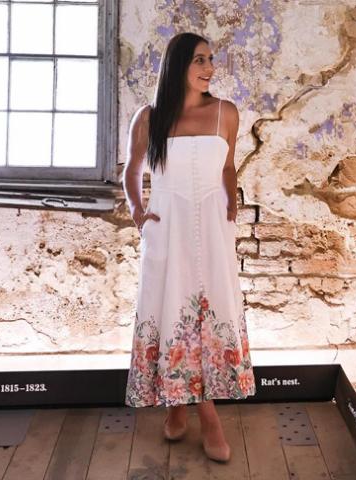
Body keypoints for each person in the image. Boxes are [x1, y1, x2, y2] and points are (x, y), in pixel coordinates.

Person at [122, 32, 257, 463]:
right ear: (177, 64)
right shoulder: (149, 117)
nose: (209, 68)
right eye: (199, 60)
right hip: (167, 231)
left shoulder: (226, 113)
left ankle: (180, 405)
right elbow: (131, 171)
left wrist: (231, 211)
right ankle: (208, 417)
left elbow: (229, 167)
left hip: (213, 230)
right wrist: (139, 212)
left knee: (211, 312)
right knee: (173, 314)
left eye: (211, 60)